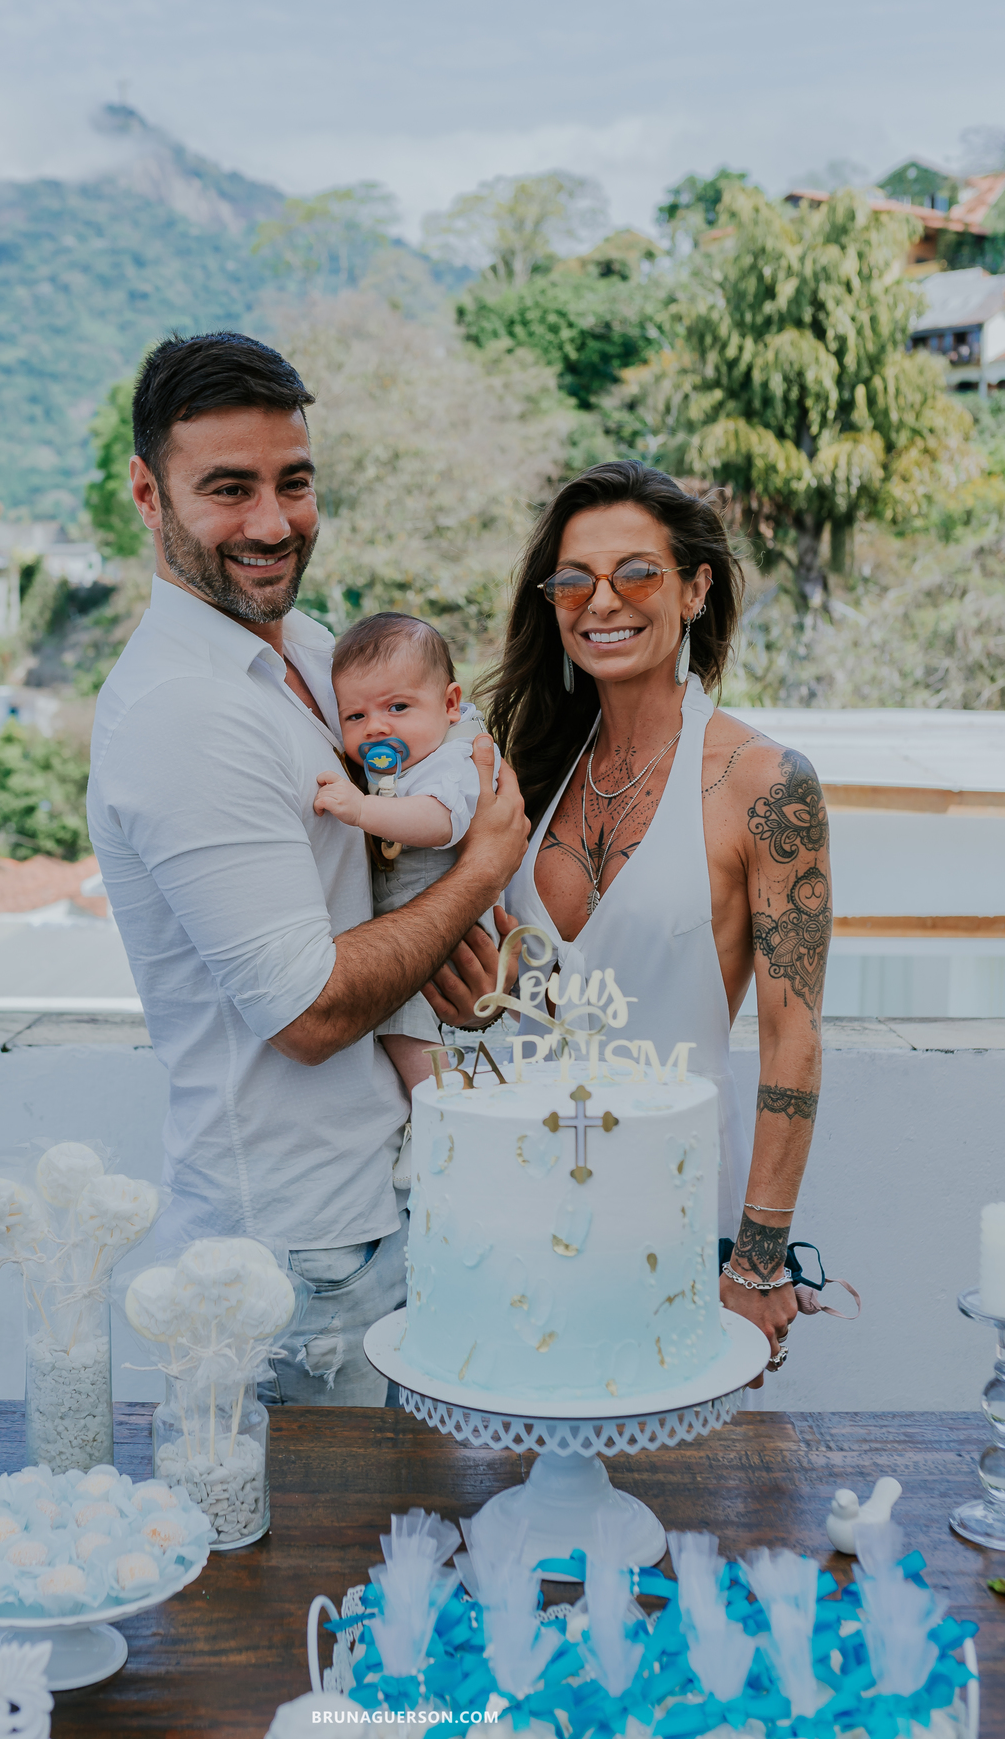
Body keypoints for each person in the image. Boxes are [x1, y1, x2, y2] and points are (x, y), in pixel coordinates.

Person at [86, 331, 528, 1406]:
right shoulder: (184, 711)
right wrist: (483, 869)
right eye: (228, 489)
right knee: (291, 1570)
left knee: (389, 1557)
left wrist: (474, 960)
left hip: (372, 1201)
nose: (273, 523)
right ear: (148, 491)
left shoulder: (314, 651)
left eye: (294, 482)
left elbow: (382, 871)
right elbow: (313, 1011)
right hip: (285, 1252)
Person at [482, 461, 833, 1381]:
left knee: (676, 1494)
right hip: (519, 1203)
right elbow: (505, 991)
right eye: (575, 580)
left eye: (636, 572)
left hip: (676, 1214)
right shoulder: (531, 767)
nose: (603, 601)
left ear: (695, 588)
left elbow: (793, 1037)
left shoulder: (763, 783)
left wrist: (758, 1256)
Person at [314, 611, 502, 1098]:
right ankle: (442, 1110)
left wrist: (360, 810)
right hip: (414, 926)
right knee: (408, 1028)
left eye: (397, 707)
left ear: (450, 704)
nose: (375, 728)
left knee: (407, 1029)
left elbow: (438, 822)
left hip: (449, 930)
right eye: (356, 716)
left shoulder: (455, 760)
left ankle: (442, 1117)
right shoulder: (401, 766)